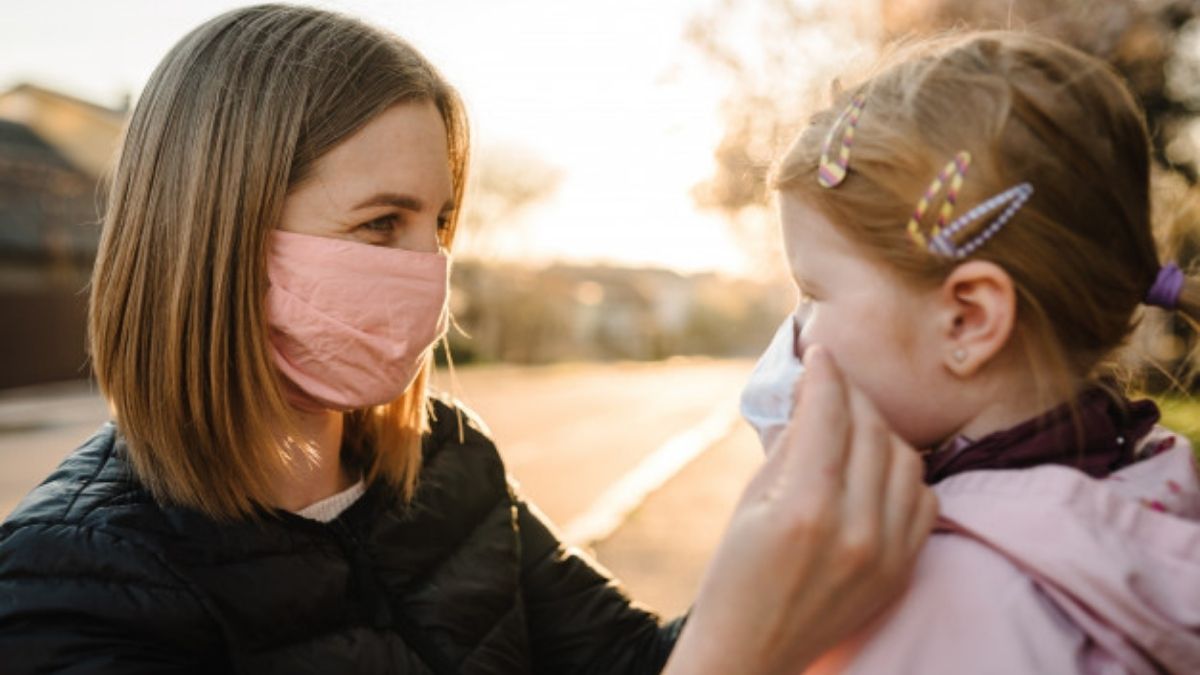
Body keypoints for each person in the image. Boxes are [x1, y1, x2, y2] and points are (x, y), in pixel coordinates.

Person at [0, 5, 938, 673]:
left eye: (440, 223)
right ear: (214, 234)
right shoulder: (62, 586)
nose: (429, 267)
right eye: (381, 224)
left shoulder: (450, 461)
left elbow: (628, 660)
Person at [739, 30, 1200, 673]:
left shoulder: (937, 600)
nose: (798, 336)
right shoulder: (1150, 479)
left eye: (813, 294)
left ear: (967, 320)